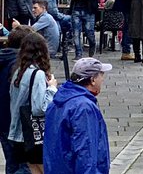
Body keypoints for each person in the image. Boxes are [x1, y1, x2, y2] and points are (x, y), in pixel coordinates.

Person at [43, 57, 110, 174]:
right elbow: (86, 151)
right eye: (101, 75)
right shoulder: (84, 107)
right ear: (93, 79)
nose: (103, 79)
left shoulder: (57, 101)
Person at [8, 35, 58, 174]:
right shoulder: (38, 74)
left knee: (32, 169)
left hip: (18, 132)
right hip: (34, 135)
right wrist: (52, 88)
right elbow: (40, 108)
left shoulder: (18, 72)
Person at [0, 28, 32, 174]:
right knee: (24, 166)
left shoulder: (4, 59)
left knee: (11, 163)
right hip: (18, 122)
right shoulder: (19, 66)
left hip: (3, 120)